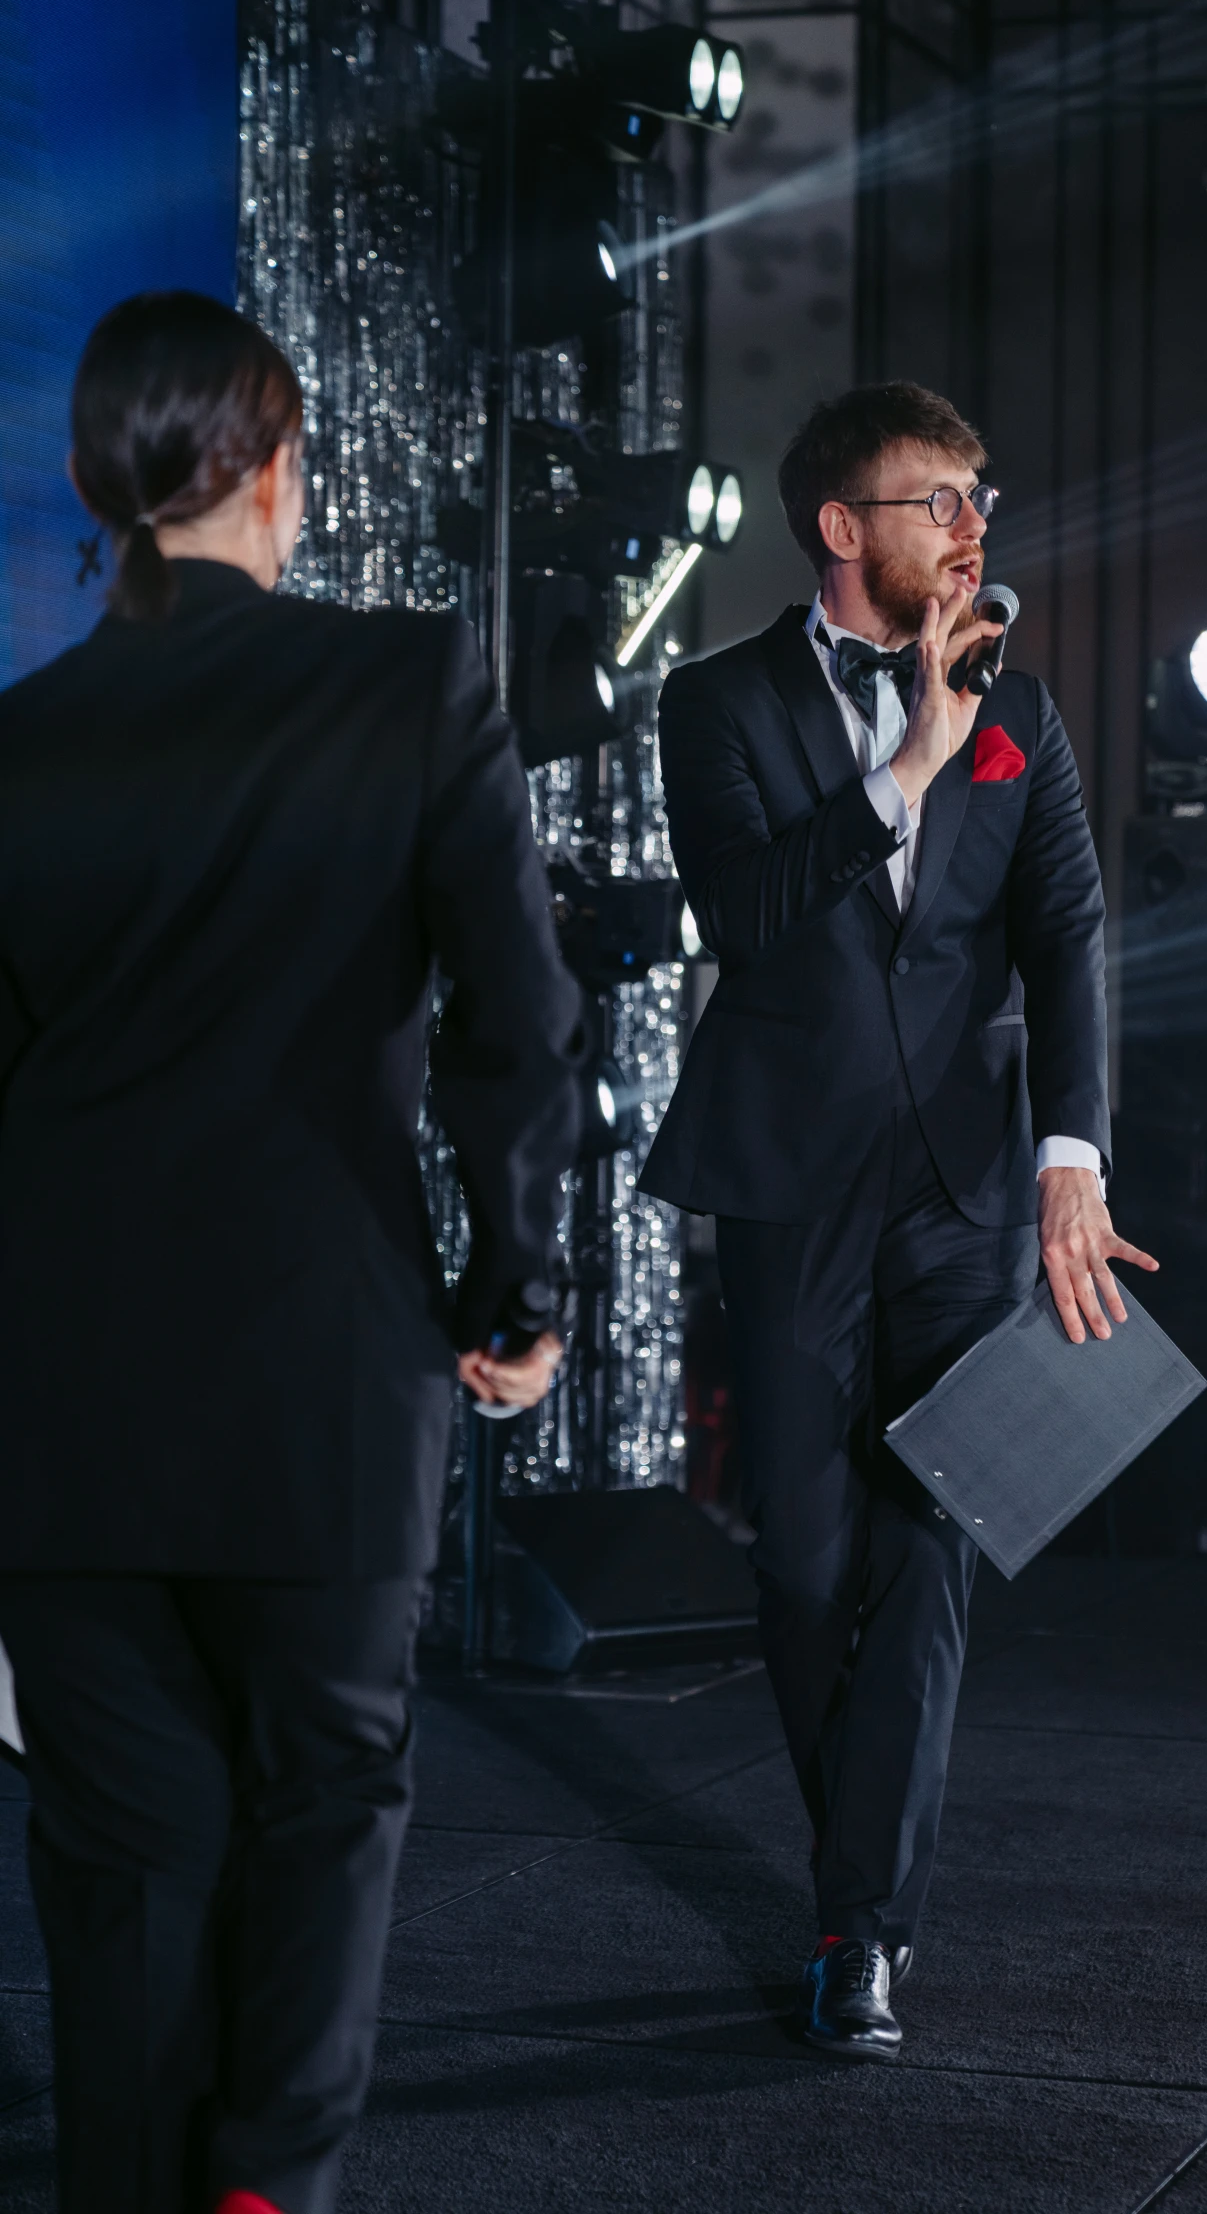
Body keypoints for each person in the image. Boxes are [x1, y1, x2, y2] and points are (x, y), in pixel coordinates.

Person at [0, 291, 583, 2214]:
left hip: (61, 1395)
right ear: (273, 470)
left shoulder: (22, 740)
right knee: (327, 1801)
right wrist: (517, 1289)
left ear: (98, 480)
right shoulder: (411, 680)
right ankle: (270, 2185)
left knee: (121, 1863)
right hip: (325, 1371)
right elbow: (519, 1021)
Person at [640, 380, 1156, 2060]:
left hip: (965, 1190)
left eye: (980, 498)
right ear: (842, 528)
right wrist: (911, 764)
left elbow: (1067, 933)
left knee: (939, 1533)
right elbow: (742, 915)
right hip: (790, 1181)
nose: (973, 526)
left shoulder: (1030, 709)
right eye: (941, 499)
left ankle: (858, 1927)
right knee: (803, 1570)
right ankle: (855, 1885)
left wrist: (1073, 1156)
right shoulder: (715, 701)